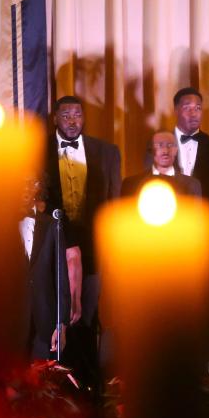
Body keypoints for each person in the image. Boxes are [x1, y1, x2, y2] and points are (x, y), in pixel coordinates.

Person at [44, 95, 121, 389]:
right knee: (54, 314)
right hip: (51, 250)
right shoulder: (39, 151)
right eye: (66, 115)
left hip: (92, 250)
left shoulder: (107, 152)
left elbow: (112, 203)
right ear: (55, 119)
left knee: (86, 317)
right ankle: (54, 385)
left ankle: (87, 387)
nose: (73, 121)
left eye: (78, 115)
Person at [171, 88, 209, 265]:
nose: (194, 113)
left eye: (198, 108)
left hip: (205, 235)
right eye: (187, 108)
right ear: (176, 110)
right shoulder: (160, 143)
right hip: (166, 235)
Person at [19, 175, 71, 360]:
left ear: (38, 187)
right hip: (11, 322)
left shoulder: (52, 225)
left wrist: (61, 323)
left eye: (29, 183)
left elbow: (61, 276)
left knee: (43, 383)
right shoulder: (2, 226)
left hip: (45, 322)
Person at [123, 131, 201, 197]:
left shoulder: (192, 185)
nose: (165, 151)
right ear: (152, 150)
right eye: (160, 145)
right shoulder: (130, 184)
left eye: (170, 145)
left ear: (176, 150)